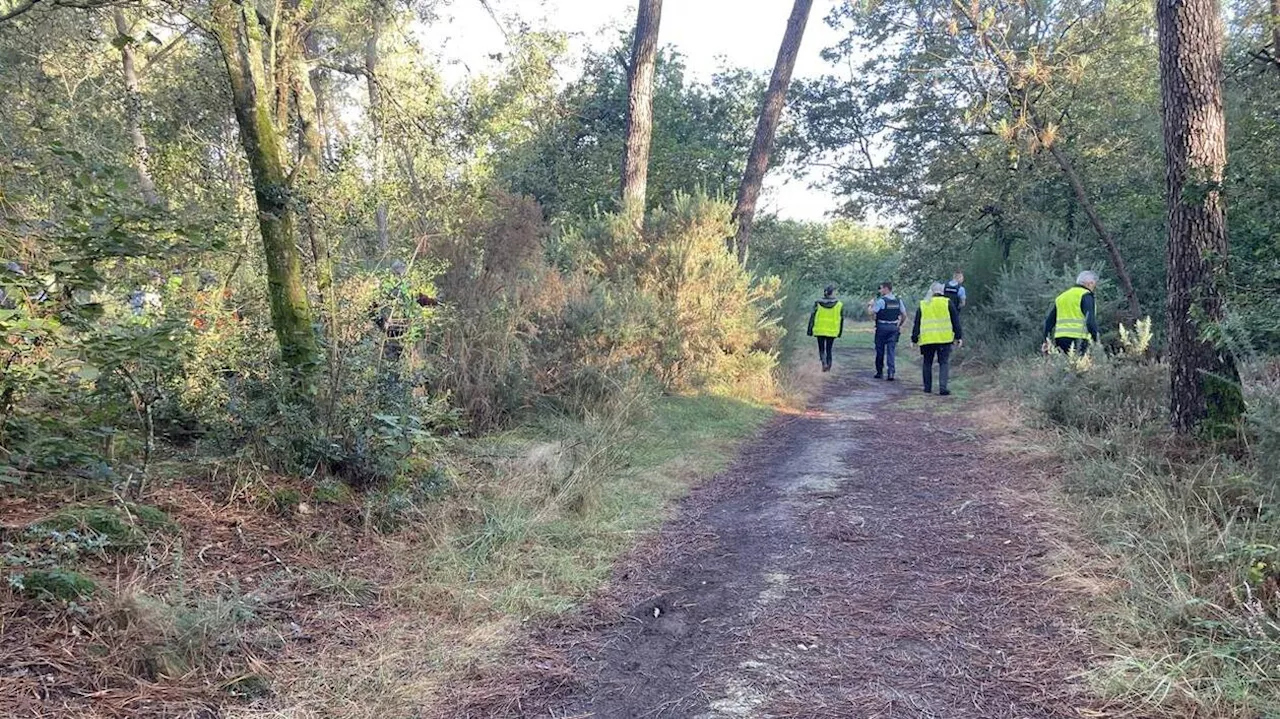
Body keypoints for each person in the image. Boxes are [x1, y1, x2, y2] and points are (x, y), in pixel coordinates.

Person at [911, 282, 963, 395]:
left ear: (931, 291)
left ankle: (927, 387)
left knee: (927, 363)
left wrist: (914, 339)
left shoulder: (923, 304)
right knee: (943, 363)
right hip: (944, 339)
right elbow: (955, 321)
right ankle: (943, 387)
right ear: (942, 291)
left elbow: (917, 323)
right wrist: (958, 336)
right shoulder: (947, 302)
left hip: (927, 339)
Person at [1044, 270, 1099, 354]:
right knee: (1081, 365)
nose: (1093, 288)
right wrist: (1096, 339)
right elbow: (1090, 321)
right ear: (1089, 283)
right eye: (1094, 285)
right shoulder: (1086, 296)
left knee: (1065, 365)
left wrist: (1046, 340)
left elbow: (1049, 321)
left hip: (1060, 338)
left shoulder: (1062, 297)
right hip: (1079, 338)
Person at [867, 282, 906, 381]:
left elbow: (872, 312)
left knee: (880, 350)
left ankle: (879, 372)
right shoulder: (898, 301)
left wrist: (870, 305)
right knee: (891, 351)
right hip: (894, 327)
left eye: (881, 288)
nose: (880, 291)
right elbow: (904, 314)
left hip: (882, 327)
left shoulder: (881, 301)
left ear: (886, 289)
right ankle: (891, 372)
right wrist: (899, 324)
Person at [806, 285, 843, 373]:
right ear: (832, 292)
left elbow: (812, 317)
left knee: (821, 349)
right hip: (832, 330)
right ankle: (829, 365)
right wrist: (840, 332)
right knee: (829, 349)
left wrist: (810, 330)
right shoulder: (839, 304)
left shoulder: (818, 303)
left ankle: (824, 363)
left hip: (820, 330)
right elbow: (841, 319)